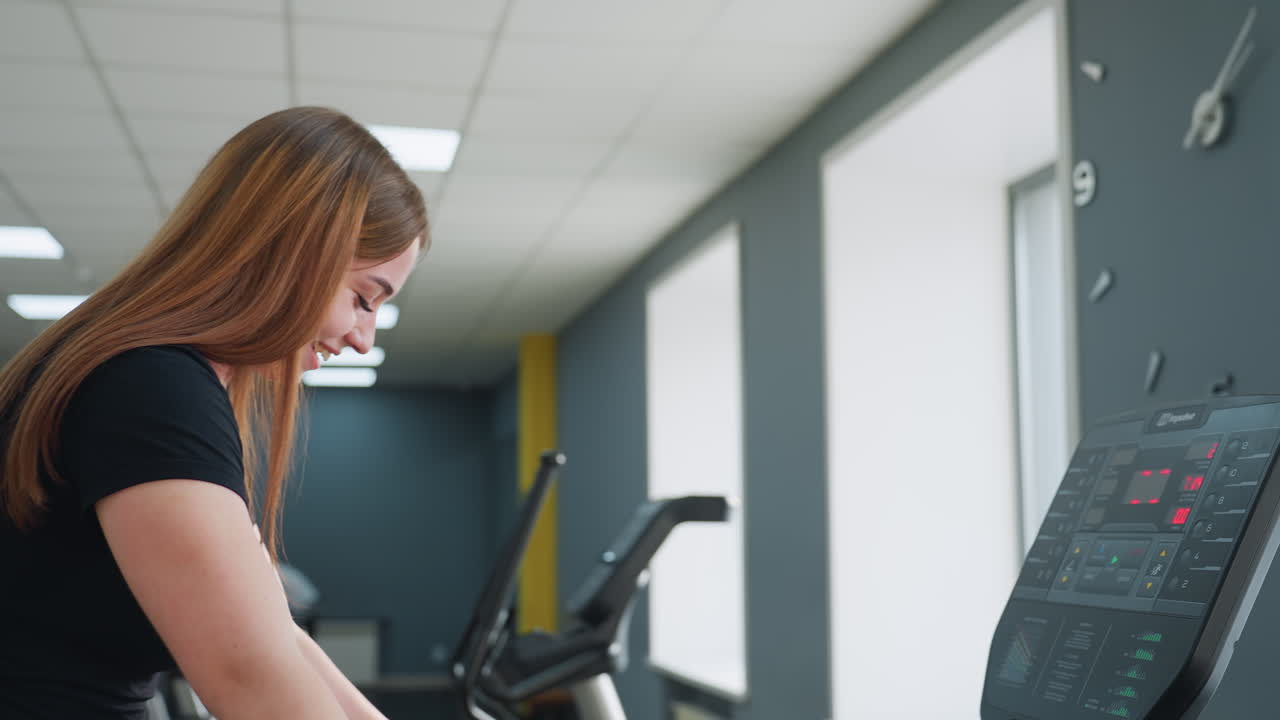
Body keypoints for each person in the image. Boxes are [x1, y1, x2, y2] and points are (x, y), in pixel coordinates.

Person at [0, 106, 427, 719]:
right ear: (295, 251)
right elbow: (249, 678)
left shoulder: (150, 373)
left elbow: (271, 641)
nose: (365, 338)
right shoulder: (153, 386)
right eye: (363, 299)